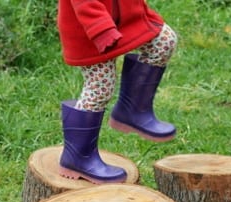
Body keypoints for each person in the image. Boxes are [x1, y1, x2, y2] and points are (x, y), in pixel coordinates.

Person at [57, 0, 178, 184]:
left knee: (164, 41)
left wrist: (140, 11)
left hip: (127, 19)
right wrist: (101, 29)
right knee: (100, 85)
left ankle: (133, 111)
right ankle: (78, 157)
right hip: (90, 28)